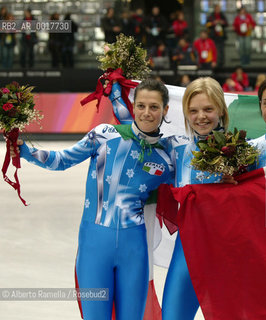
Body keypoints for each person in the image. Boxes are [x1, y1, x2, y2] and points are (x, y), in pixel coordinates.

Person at [14, 78, 174, 320]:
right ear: (133, 105)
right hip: (94, 248)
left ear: (165, 110)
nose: (147, 113)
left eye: (154, 107)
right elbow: (61, 160)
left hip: (135, 251)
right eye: (141, 105)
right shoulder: (103, 135)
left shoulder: (167, 157)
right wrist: (24, 150)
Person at [160, 77, 230, 320]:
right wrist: (118, 90)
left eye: (208, 109)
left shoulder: (242, 151)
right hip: (186, 254)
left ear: (221, 109)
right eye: (194, 110)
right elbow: (139, 135)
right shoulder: (175, 148)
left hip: (227, 259)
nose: (201, 116)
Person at [206, 4, 228, 68]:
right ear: (215, 9)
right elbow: (207, 24)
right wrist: (213, 23)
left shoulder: (222, 15)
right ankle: (214, 63)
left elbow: (226, 23)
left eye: (219, 8)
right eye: (217, 8)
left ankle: (221, 64)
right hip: (213, 36)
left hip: (221, 36)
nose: (218, 10)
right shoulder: (211, 16)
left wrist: (222, 22)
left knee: (221, 50)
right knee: (214, 50)